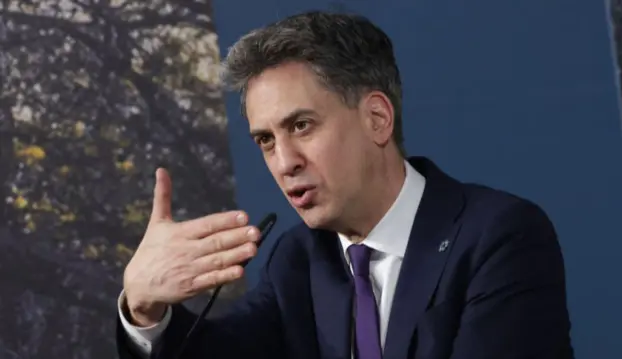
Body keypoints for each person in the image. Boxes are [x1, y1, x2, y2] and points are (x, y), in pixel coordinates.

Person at [116, 11, 574, 359]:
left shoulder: (498, 237)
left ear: (376, 118)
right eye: (265, 140)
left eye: (301, 125)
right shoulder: (299, 259)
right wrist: (144, 311)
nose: (284, 162)